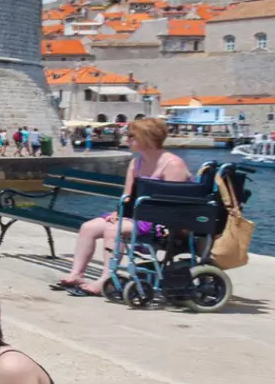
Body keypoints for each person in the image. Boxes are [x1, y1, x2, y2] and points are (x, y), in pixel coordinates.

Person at [52, 116, 190, 295]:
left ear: (146, 137)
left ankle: (106, 279)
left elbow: (173, 204)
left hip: (160, 221)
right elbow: (127, 195)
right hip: (137, 214)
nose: (127, 139)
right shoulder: (136, 163)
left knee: (113, 231)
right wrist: (120, 212)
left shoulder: (173, 165)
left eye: (132, 136)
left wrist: (129, 216)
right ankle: (76, 274)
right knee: (88, 228)